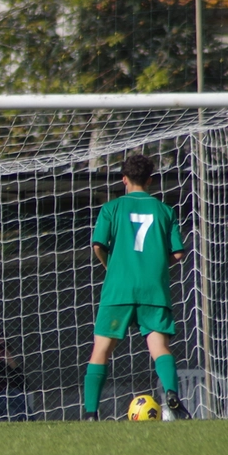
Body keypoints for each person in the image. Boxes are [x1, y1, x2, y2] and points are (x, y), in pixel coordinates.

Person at [82, 153, 191, 421]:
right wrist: (154, 265)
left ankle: (90, 413)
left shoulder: (112, 208)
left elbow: (98, 245)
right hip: (153, 289)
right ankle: (171, 394)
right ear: (150, 180)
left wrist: (111, 267)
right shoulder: (165, 210)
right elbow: (178, 253)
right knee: (159, 348)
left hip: (118, 288)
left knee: (102, 349)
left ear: (124, 179)